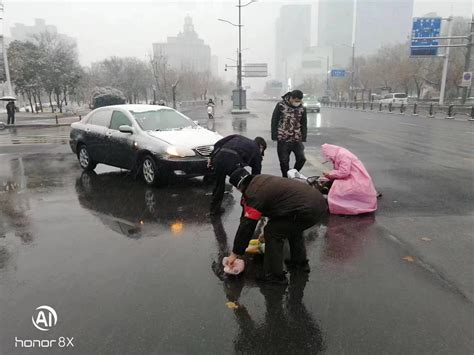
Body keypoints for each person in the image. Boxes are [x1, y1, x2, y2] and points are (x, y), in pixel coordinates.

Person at [225, 168, 327, 284]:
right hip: (317, 203)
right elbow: (278, 205)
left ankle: (274, 276)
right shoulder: (261, 180)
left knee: (272, 232)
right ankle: (299, 263)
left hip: (306, 209)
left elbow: (247, 225)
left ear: (239, 187)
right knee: (292, 227)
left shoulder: (253, 194)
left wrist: (235, 253)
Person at [208, 134, 267, 215]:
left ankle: (214, 209)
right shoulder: (256, 150)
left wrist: (211, 158)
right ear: (261, 146)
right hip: (232, 161)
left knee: (219, 184)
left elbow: (218, 144)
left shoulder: (237, 136)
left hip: (218, 158)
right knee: (246, 184)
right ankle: (249, 209)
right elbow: (256, 176)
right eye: (262, 151)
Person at [321, 143, 377, 215]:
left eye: (328, 156)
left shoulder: (342, 155)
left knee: (338, 188)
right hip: (356, 176)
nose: (329, 158)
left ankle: (337, 205)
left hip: (356, 179)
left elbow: (344, 172)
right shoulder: (340, 153)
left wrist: (330, 174)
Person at [271, 90, 308, 177]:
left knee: (301, 158)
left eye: (299, 101)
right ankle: (286, 178)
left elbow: (304, 123)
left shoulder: (302, 108)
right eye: (295, 100)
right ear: (291, 98)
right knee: (284, 162)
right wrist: (274, 135)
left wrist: (303, 136)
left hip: (296, 138)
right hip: (283, 138)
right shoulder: (281, 105)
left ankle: (293, 174)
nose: (297, 103)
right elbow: (274, 120)